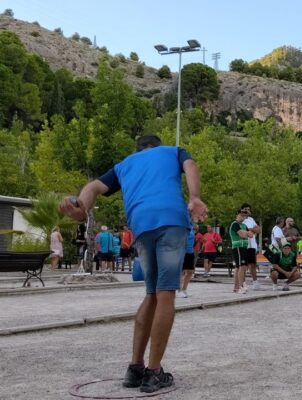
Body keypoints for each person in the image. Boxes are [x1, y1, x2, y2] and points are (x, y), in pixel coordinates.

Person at [59, 135, 207, 393]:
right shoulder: (172, 152)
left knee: (151, 294)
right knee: (166, 294)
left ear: (138, 149)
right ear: (157, 146)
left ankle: (135, 368)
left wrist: (81, 207)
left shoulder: (124, 164)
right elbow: (191, 166)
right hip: (171, 221)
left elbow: (93, 187)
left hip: (140, 226)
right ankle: (154, 372)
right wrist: (194, 197)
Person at [229, 209, 254, 294]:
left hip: (244, 247)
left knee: (238, 267)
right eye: (242, 215)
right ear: (237, 215)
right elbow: (243, 235)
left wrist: (246, 233)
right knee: (241, 267)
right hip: (238, 247)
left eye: (244, 216)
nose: (243, 217)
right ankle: (240, 286)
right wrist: (246, 233)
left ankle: (236, 287)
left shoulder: (244, 225)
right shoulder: (234, 224)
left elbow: (251, 235)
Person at [241, 203, 262, 290]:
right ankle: (242, 283)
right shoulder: (240, 220)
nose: (247, 211)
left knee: (252, 264)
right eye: (246, 209)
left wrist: (251, 230)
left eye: (249, 209)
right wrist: (252, 230)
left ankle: (255, 282)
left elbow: (259, 229)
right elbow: (243, 231)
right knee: (244, 265)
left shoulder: (251, 219)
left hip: (252, 245)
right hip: (244, 245)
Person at [178, 227, 196, 298]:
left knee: (190, 271)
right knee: (181, 272)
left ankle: (184, 289)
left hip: (190, 252)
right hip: (182, 251)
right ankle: (179, 290)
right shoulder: (181, 226)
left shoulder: (191, 227)